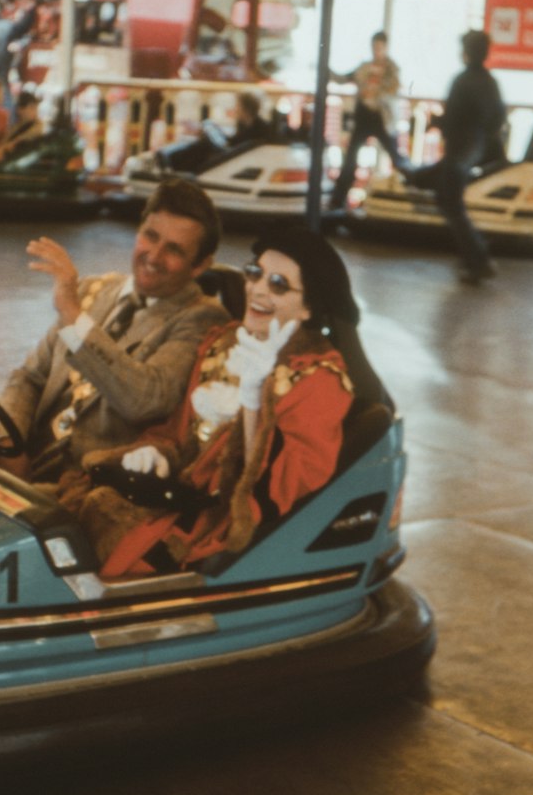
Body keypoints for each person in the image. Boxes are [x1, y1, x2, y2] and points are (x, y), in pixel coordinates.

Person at [69, 227, 357, 579]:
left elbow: (282, 488)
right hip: (173, 497)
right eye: (255, 274)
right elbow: (176, 432)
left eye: (279, 284)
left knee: (88, 559)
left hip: (215, 528)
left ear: (308, 308)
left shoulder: (320, 381)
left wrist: (254, 397)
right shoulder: (221, 342)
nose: (259, 289)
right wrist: (158, 453)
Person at [0, 177, 225, 480]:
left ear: (199, 266)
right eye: (150, 236)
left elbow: (145, 400)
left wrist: (74, 316)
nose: (154, 257)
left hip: (82, 481)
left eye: (174, 250)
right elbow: (30, 377)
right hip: (25, 455)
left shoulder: (201, 318)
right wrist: (6, 443)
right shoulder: (94, 289)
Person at [406, 29, 507, 284]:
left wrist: (437, 122)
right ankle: (473, 256)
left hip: (458, 151)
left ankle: (479, 259)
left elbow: (451, 118)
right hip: (475, 150)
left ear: (466, 52)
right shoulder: (490, 82)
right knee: (448, 199)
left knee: (451, 204)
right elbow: (498, 118)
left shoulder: (461, 81)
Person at [328, 30, 407, 210]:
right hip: (364, 116)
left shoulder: (392, 70)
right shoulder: (364, 67)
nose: (376, 51)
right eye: (374, 47)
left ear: (385, 48)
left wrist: (377, 94)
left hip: (381, 117)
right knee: (351, 160)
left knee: (395, 156)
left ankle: (413, 188)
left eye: (379, 47)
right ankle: (337, 201)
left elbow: (393, 90)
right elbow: (343, 78)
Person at [0, 90, 44, 163]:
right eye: (32, 108)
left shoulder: (36, 125)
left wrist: (6, 147)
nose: (36, 111)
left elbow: (27, 137)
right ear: (20, 110)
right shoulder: (16, 126)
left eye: (36, 108)